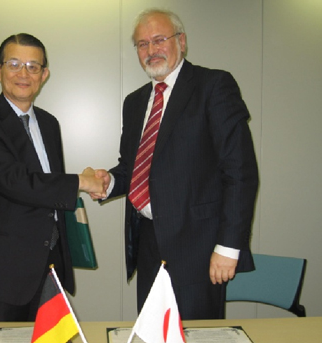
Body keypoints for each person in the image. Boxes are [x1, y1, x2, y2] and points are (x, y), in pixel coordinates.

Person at [93, 9, 259, 320]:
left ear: (181, 41)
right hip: (149, 243)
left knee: (195, 342)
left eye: (159, 40)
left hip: (200, 247)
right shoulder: (134, 102)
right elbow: (132, 167)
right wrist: (109, 182)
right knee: (153, 338)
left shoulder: (213, 86)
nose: (151, 50)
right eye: (142, 44)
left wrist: (228, 246)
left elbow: (241, 173)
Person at [0, 33, 105, 322]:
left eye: (33, 66)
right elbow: (16, 182)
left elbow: (48, 193)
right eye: (14, 64)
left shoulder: (50, 124)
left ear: (44, 74)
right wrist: (81, 181)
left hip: (49, 269)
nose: (23, 74)